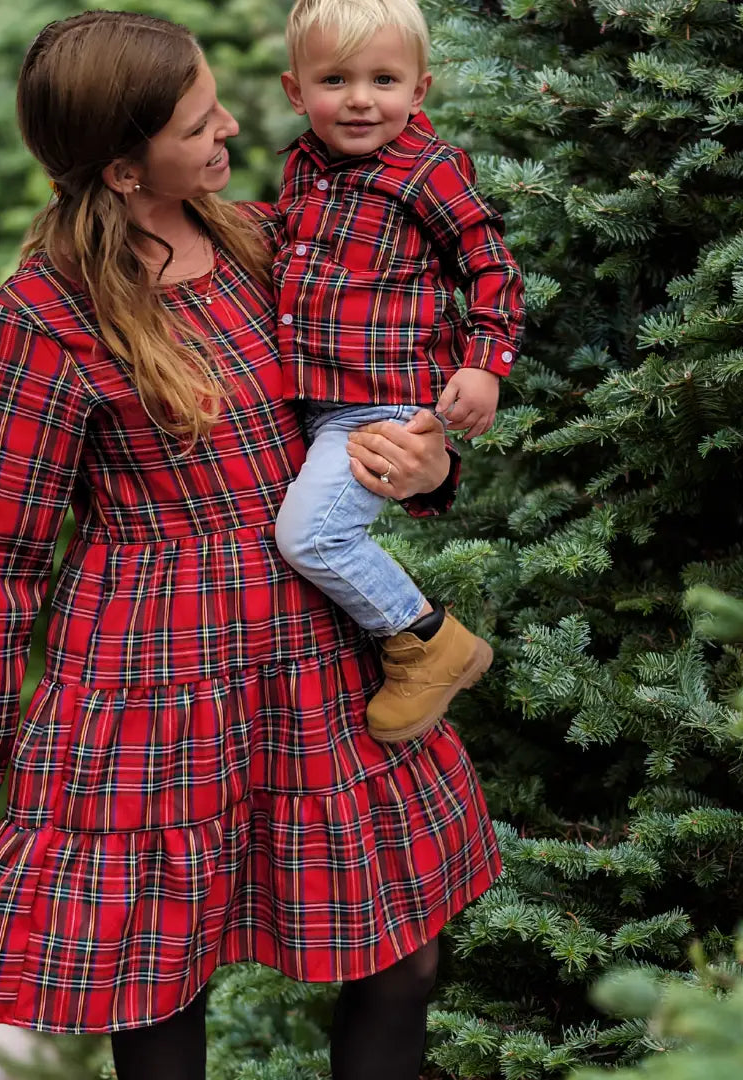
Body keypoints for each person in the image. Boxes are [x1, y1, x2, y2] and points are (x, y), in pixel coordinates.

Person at [0, 11, 501, 1080]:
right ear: (123, 166)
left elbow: (359, 410)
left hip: (312, 652)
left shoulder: (262, 240)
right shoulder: (43, 319)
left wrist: (430, 468)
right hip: (157, 676)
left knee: (404, 956)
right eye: (198, 121)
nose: (233, 122)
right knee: (157, 986)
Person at [271, 0, 525, 743]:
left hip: (379, 402)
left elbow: (492, 269)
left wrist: (484, 366)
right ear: (296, 92)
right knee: (309, 532)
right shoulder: (301, 167)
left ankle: (427, 640)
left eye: (384, 79)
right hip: (318, 397)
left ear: (419, 90)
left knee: (312, 538)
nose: (359, 99)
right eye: (335, 79)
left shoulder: (428, 171)